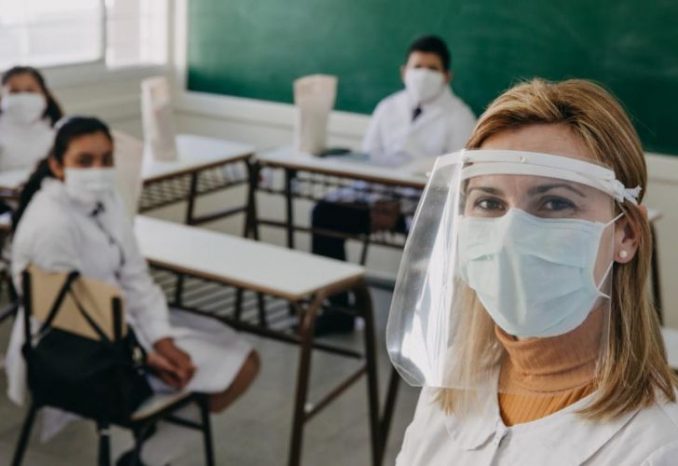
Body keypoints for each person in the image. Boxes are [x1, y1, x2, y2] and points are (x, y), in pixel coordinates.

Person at [389, 79, 678, 465]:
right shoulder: (454, 378)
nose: (509, 236)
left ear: (626, 234)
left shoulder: (658, 446)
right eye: (489, 202)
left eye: (555, 203)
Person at [5, 116, 260, 465]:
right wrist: (144, 354)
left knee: (237, 356)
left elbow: (135, 276)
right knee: (237, 367)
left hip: (120, 329)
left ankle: (146, 451)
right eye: (84, 161)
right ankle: (148, 457)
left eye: (106, 159)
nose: (98, 170)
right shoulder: (51, 223)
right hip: (75, 352)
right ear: (57, 165)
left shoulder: (106, 200)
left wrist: (162, 339)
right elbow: (73, 316)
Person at [311, 35, 476, 335]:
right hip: (376, 198)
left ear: (447, 76)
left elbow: (458, 178)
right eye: (417, 66)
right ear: (404, 71)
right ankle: (339, 310)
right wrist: (379, 202)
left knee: (437, 240)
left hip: (424, 209)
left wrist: (401, 204)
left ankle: (427, 326)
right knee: (325, 213)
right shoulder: (387, 107)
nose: (423, 74)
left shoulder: (460, 116)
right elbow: (369, 158)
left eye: (432, 68)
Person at [0, 66, 63, 172]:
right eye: (14, 92)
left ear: (45, 95)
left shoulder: (59, 132)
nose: (22, 98)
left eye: (30, 91)